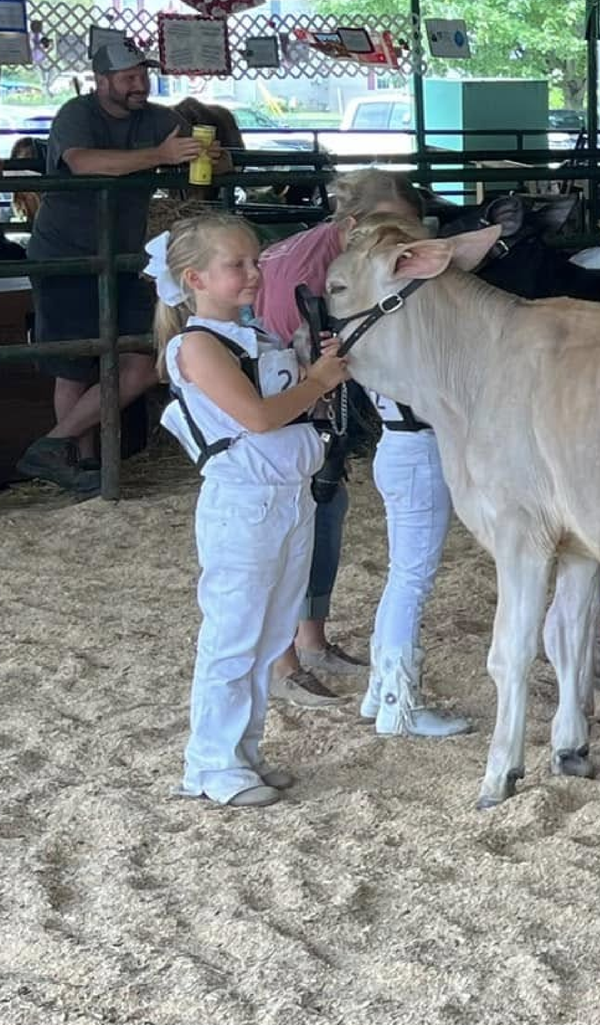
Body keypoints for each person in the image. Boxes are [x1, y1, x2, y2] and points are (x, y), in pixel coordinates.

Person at [148, 211, 349, 806]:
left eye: (255, 261)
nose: (253, 273)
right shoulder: (196, 346)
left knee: (269, 633)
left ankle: (243, 752)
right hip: (244, 502)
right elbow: (258, 418)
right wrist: (317, 379)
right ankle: (209, 764)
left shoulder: (255, 336)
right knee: (234, 633)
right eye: (235, 265)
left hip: (290, 495)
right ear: (195, 279)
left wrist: (313, 369)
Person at [253, 168, 427, 710]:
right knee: (294, 521)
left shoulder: (331, 252)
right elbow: (285, 351)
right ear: (354, 224)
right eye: (391, 226)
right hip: (286, 406)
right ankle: (283, 661)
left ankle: (312, 640)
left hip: (314, 403)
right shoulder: (309, 269)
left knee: (325, 510)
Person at [18, 40, 226, 494]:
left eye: (143, 76)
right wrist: (160, 157)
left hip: (124, 255)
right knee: (75, 362)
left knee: (145, 358)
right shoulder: (77, 114)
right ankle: (86, 467)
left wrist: (212, 157)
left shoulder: (158, 118)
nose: (140, 85)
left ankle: (53, 446)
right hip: (64, 254)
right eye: (129, 78)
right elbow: (83, 162)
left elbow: (206, 153)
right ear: (103, 81)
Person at [348, 212, 473, 740]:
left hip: (398, 449)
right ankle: (399, 704)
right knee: (411, 580)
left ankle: (380, 692)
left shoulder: (369, 318)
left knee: (403, 576)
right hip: (420, 450)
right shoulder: (405, 327)